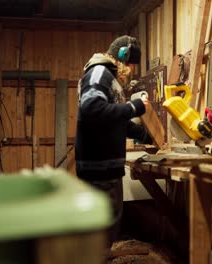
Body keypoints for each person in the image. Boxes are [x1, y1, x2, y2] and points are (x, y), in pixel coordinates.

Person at [75, 35, 152, 246]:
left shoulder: (109, 79)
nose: (133, 71)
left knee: (104, 236)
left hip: (106, 171)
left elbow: (113, 120)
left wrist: (144, 134)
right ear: (123, 57)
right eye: (132, 64)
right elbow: (91, 109)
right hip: (99, 172)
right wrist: (134, 107)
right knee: (100, 238)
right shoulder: (100, 72)